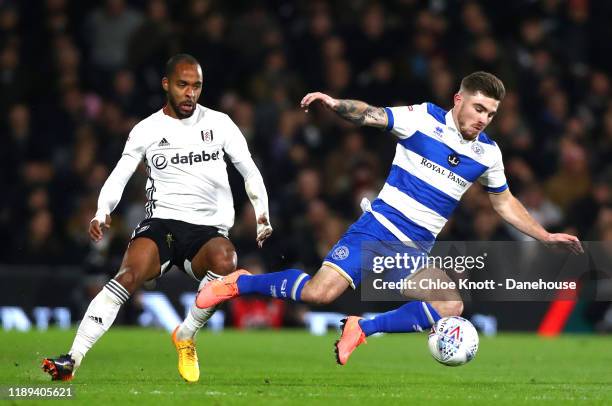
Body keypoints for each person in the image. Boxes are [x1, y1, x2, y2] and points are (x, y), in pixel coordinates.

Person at [196, 71, 582, 365]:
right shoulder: (422, 119)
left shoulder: (488, 154)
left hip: (413, 249)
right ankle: (240, 284)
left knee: (451, 305)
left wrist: (543, 235)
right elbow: (372, 115)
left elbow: (504, 202)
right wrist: (335, 104)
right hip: (378, 230)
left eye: (491, 113)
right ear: (458, 100)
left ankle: (360, 328)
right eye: (479, 108)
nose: (483, 119)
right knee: (319, 293)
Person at [42, 54, 273, 382]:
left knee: (227, 261)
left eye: (196, 86)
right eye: (183, 85)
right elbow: (120, 174)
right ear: (166, 85)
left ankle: (186, 335)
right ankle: (72, 359)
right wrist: (102, 210)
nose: (190, 93)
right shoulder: (147, 129)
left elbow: (249, 170)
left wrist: (262, 213)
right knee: (127, 276)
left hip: (207, 230)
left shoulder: (220, 124)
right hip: (163, 223)